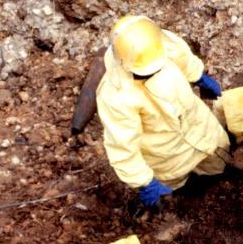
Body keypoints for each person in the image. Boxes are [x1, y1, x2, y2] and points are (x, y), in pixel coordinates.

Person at [96, 15, 230, 214]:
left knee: (219, 163)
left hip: (202, 129)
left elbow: (181, 56)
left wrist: (198, 76)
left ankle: (223, 179)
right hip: (167, 157)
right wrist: (144, 182)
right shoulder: (116, 95)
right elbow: (123, 147)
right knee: (182, 191)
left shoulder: (156, 44)